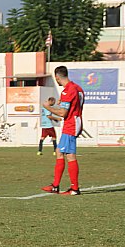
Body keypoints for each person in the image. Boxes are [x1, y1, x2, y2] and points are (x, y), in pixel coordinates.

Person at [41, 66, 85, 196]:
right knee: (59, 151)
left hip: (71, 124)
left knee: (70, 155)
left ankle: (74, 189)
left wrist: (47, 107)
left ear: (57, 77)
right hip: (75, 121)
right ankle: (55, 186)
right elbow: (74, 106)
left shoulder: (67, 91)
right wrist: (60, 104)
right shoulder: (78, 88)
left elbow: (63, 113)